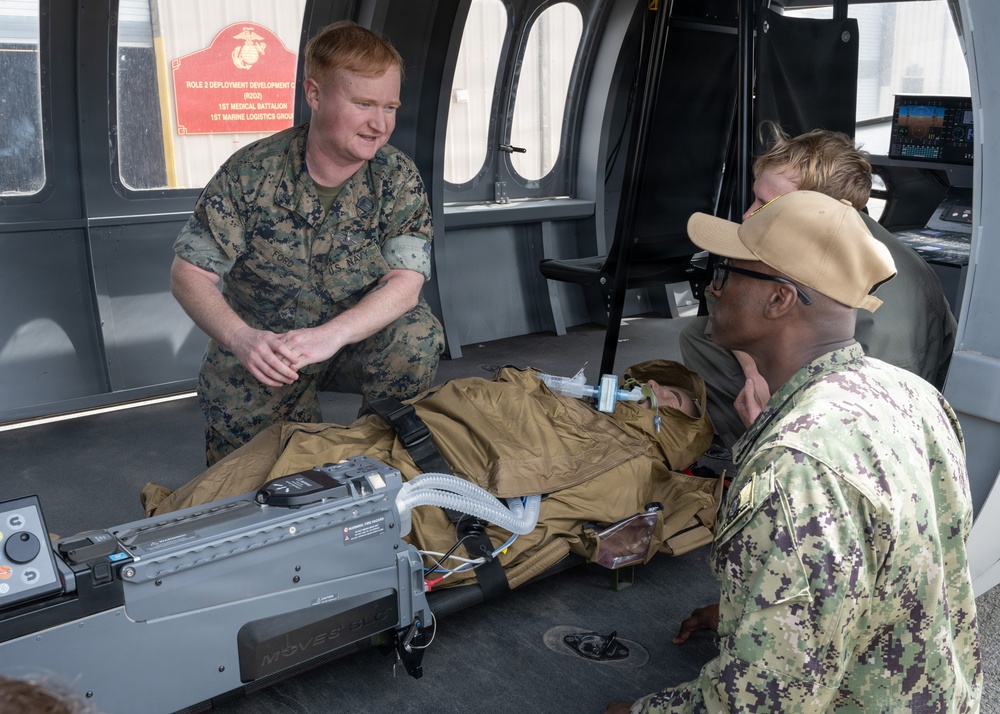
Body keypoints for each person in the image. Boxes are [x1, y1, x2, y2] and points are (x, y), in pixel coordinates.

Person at [605, 191, 981, 712]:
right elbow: (890, 566)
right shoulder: (913, 395)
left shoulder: (795, 467)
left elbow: (764, 704)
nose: (712, 289)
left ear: (779, 299)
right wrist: (757, 612)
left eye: (725, 272)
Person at [141, 361, 720, 591]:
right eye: (654, 383)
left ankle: (168, 574)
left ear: (680, 432)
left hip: (454, 504)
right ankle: (153, 538)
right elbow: (484, 395)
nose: (652, 391)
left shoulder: (648, 469)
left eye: (671, 400)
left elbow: (691, 517)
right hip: (413, 433)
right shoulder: (557, 392)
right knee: (292, 442)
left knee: (339, 502)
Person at [171, 21, 444, 466]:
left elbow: (405, 283)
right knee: (254, 482)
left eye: (390, 107)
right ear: (314, 95)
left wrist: (329, 336)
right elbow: (189, 275)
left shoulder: (396, 177)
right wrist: (242, 339)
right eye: (363, 104)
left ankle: (380, 461)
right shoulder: (251, 172)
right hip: (266, 350)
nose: (380, 124)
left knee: (416, 335)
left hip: (352, 340)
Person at [680, 126, 957, 449]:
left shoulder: (863, 305)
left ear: (815, 211)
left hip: (870, 423)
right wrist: (753, 372)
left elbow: (868, 424)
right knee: (699, 334)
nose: (748, 214)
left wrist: (775, 432)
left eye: (765, 204)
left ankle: (757, 446)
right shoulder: (831, 235)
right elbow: (723, 300)